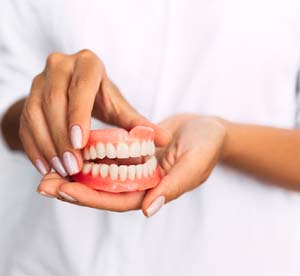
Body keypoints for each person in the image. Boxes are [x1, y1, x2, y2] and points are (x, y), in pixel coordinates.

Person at [1, 0, 300, 275]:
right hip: (52, 258)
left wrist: (228, 139)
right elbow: (7, 99)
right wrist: (43, 111)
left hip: (231, 260)